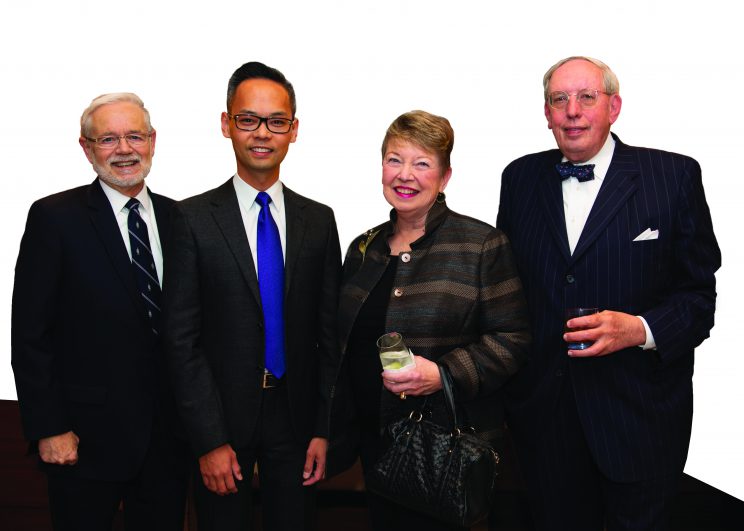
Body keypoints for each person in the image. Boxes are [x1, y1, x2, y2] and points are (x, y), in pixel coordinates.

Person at [497, 56, 721, 531]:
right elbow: (505, 291)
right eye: (559, 99)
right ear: (547, 113)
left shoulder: (673, 177)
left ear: (614, 106)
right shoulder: (519, 178)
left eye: (586, 97)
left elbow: (699, 296)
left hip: (640, 417)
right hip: (544, 420)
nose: (572, 111)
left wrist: (639, 329)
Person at [162, 61, 342, 531]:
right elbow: (181, 341)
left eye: (276, 121)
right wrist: (207, 439)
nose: (262, 133)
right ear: (227, 124)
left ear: (293, 130)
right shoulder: (192, 219)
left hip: (297, 423)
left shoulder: (319, 221)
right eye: (248, 119)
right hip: (222, 424)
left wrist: (324, 429)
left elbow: (329, 337)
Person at [334, 110, 531, 531]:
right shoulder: (362, 249)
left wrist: (443, 374)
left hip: (447, 453)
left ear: (445, 177)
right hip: (376, 444)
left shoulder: (481, 244)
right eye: (394, 159)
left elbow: (513, 339)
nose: (404, 175)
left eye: (422, 163)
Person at [10, 93, 188, 531]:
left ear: (152, 141)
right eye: (107, 138)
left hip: (167, 442)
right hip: (82, 442)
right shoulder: (54, 218)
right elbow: (29, 333)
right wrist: (48, 427)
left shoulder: (179, 218)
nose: (124, 149)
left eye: (134, 136)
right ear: (86, 147)